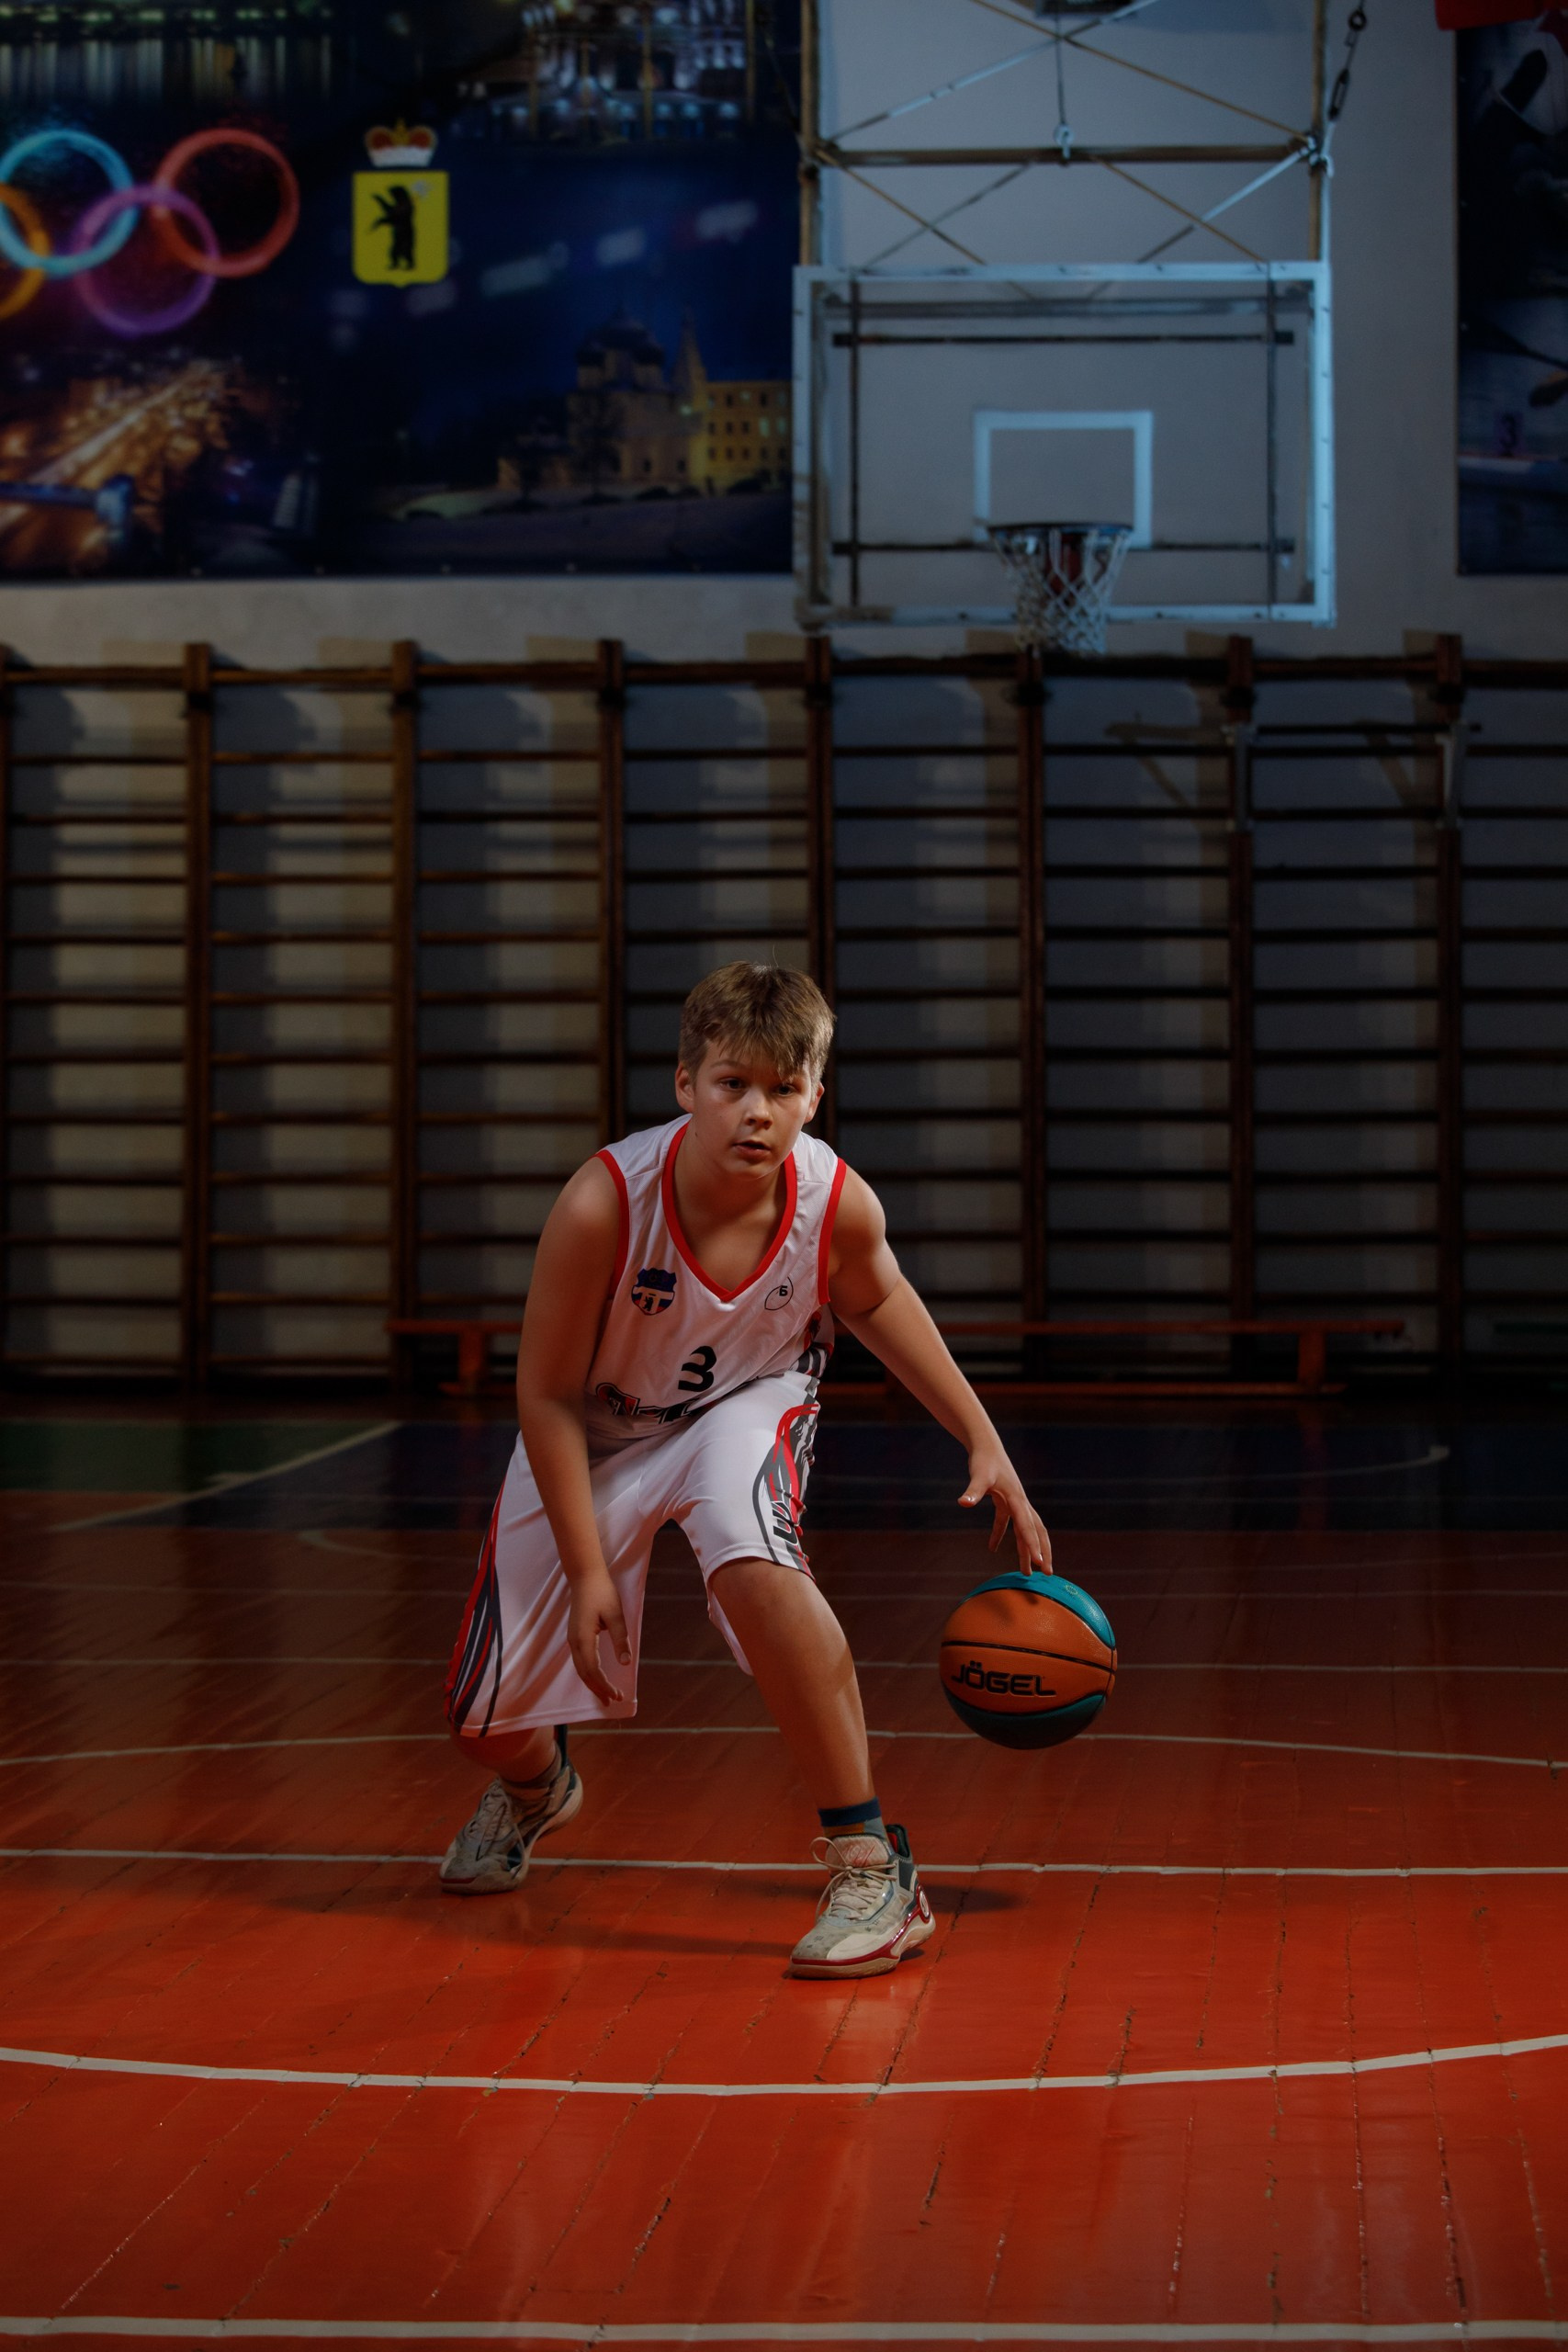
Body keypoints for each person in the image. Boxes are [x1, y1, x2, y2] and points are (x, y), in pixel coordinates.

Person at [439, 962, 1051, 1979]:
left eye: (783, 1088)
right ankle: (537, 1786)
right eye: (733, 1084)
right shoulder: (603, 1202)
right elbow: (542, 1394)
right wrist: (589, 1570)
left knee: (753, 1555)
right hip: (595, 1430)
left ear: (815, 1096)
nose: (757, 1111)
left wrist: (982, 1437)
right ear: (686, 1083)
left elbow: (880, 1303)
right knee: (482, 1723)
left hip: (745, 1401)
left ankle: (869, 1864)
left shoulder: (835, 1203)